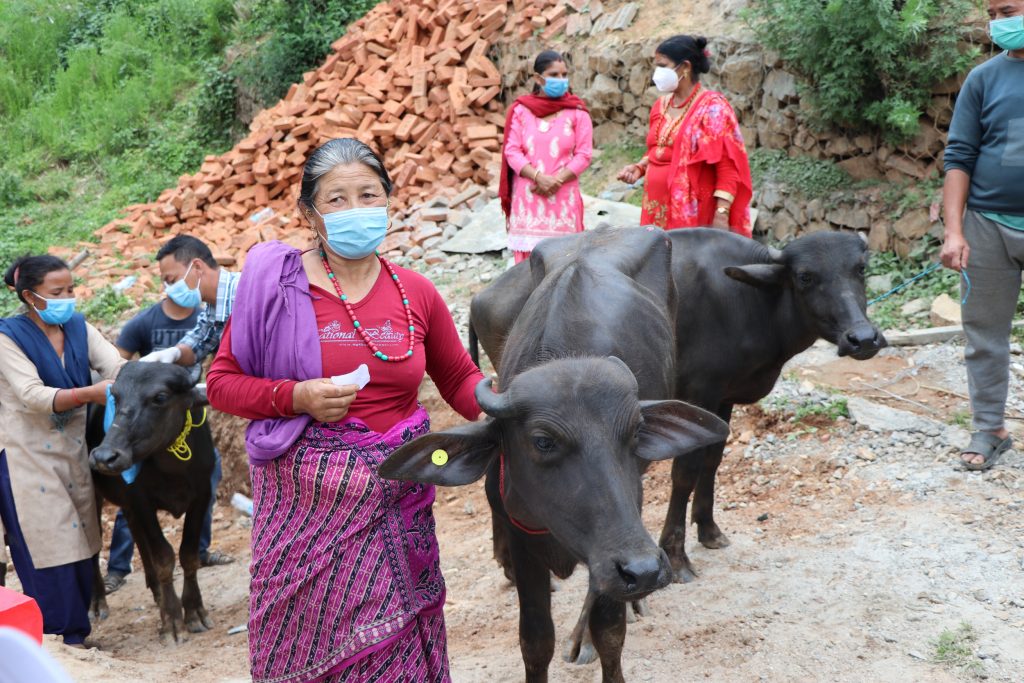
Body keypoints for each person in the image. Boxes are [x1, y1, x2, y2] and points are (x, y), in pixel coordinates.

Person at [207, 137, 483, 682]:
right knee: (309, 643)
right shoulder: (275, 288)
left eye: (368, 194)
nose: (356, 210)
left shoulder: (416, 292)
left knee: (393, 638)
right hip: (304, 514)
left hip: (397, 500)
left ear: (388, 201)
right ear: (309, 212)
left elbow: (458, 379)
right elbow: (221, 384)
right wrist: (297, 397)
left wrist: (511, 402)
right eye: (336, 199)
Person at [0, 255, 125, 647]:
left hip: (71, 452)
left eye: (70, 290)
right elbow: (33, 395)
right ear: (30, 296)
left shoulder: (77, 326)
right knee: (46, 544)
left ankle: (76, 634)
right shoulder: (6, 337)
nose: (67, 299)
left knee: (81, 540)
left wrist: (140, 380)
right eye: (57, 293)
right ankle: (59, 638)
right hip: (26, 456)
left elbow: (115, 366)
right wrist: (91, 393)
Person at [940, 0, 1024, 471]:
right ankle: (990, 428)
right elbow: (959, 155)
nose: (999, 22)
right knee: (984, 335)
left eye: (1007, 8)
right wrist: (954, 231)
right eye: (992, 13)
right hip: (988, 224)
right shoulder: (984, 78)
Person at [135, 235, 235, 570]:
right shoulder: (211, 304)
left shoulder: (248, 296)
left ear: (196, 267)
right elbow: (199, 341)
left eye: (171, 280)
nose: (168, 290)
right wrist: (172, 354)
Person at [101, 285, 209, 593]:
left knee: (206, 484)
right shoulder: (143, 322)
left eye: (180, 276)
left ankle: (198, 554)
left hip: (180, 410)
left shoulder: (205, 321)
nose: (177, 284)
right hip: (143, 415)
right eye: (169, 277)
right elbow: (117, 365)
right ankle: (119, 567)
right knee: (132, 489)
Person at [618, 34, 753, 235]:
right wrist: (639, 167)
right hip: (655, 208)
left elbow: (728, 167)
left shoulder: (713, 109)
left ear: (685, 67)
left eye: (663, 66)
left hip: (694, 212)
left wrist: (722, 213)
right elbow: (659, 149)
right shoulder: (660, 106)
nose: (657, 73)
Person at [499, 49, 593, 263]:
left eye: (564, 74)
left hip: (564, 197)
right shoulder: (521, 110)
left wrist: (555, 180)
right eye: (554, 75)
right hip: (529, 196)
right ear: (538, 79)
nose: (561, 80)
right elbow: (512, 150)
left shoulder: (577, 111)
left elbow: (584, 154)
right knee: (528, 268)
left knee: (565, 263)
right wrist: (538, 177)